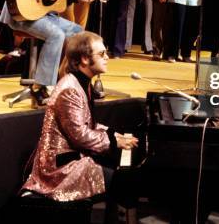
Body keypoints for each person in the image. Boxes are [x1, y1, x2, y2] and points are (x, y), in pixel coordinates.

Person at [20, 31, 139, 221]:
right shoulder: (69, 89)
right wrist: (115, 142)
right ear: (84, 59)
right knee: (123, 179)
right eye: (102, 54)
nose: (107, 58)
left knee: (121, 173)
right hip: (60, 169)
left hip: (74, 155)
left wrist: (115, 135)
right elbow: (81, 135)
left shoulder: (82, 83)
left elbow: (88, 124)